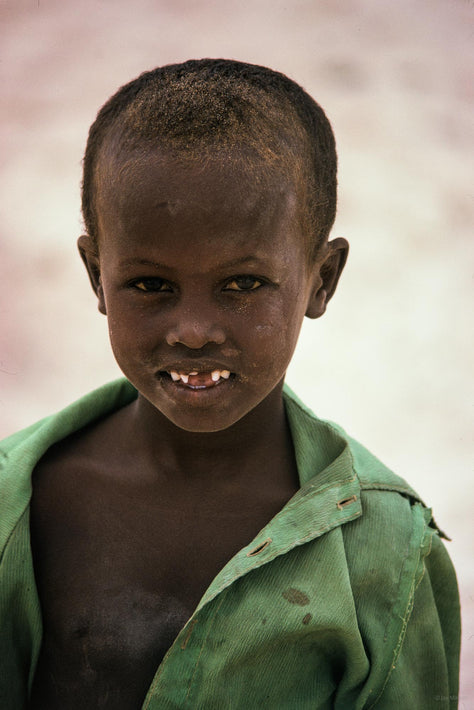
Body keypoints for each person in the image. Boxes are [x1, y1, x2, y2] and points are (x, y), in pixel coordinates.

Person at [0, 59, 460, 710]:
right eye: (150, 284)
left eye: (242, 284)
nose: (192, 331)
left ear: (322, 279)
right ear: (95, 275)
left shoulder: (386, 556)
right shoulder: (18, 499)